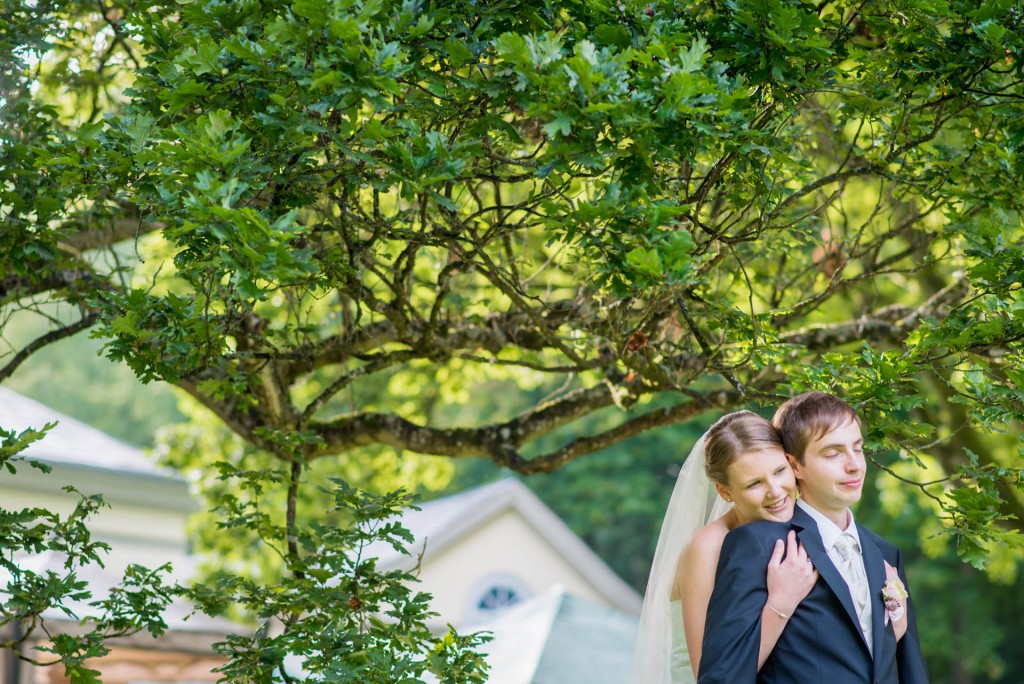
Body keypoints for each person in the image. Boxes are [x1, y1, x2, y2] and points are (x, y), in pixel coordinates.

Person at [698, 392, 928, 684]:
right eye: (833, 453)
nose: (854, 465)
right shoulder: (760, 545)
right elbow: (720, 677)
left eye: (857, 448)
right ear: (794, 466)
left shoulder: (884, 553)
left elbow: (910, 671)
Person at [630, 411, 818, 684]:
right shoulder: (706, 547)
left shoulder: (798, 531)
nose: (775, 491)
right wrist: (782, 602)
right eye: (754, 483)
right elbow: (709, 672)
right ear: (725, 492)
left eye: (779, 471)